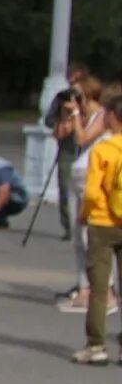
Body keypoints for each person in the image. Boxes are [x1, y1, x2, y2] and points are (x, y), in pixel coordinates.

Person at [75, 83, 122, 364]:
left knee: (100, 289)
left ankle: (96, 347)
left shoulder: (103, 150)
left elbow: (92, 192)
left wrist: (84, 215)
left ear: (113, 118)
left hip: (103, 224)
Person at [60, 77, 112, 312]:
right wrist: (69, 114)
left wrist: (77, 119)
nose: (75, 100)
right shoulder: (82, 115)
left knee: (89, 236)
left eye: (79, 96)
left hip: (92, 181)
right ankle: (84, 286)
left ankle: (103, 290)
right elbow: (62, 134)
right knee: (77, 237)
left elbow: (82, 138)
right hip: (79, 177)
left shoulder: (102, 116)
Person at [45, 63, 92, 241]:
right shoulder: (62, 97)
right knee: (65, 188)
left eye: (77, 79)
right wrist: (61, 121)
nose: (73, 83)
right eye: (71, 78)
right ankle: (69, 227)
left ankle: (85, 224)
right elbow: (48, 120)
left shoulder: (89, 99)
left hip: (86, 148)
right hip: (67, 148)